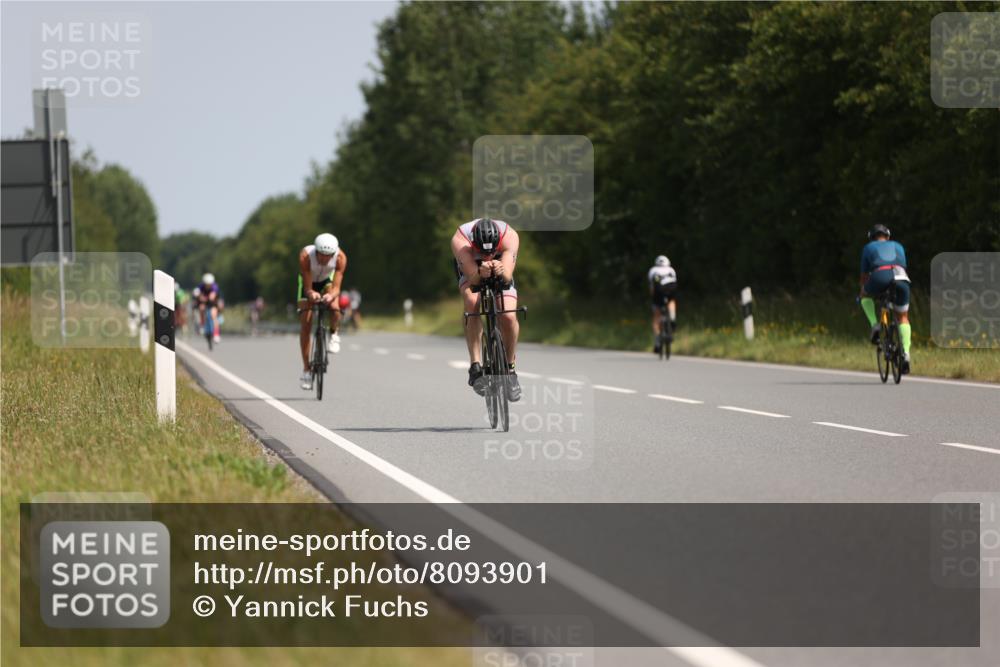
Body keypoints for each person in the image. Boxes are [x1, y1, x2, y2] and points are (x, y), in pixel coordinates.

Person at [451, 217, 521, 401]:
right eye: (483, 252)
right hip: (472, 268)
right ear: (474, 243)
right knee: (472, 301)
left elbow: (507, 277)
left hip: (501, 267)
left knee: (508, 316)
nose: (488, 256)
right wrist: (479, 272)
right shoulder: (461, 241)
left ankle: (510, 370)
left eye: (491, 253)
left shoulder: (510, 236)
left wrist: (500, 269)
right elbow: (473, 280)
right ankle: (475, 365)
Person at [859, 224, 912, 374]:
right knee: (903, 317)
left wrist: (863, 289)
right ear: (888, 236)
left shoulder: (868, 248)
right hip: (901, 277)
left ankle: (875, 325)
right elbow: (903, 266)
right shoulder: (898, 245)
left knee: (864, 295)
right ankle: (906, 353)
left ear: (871, 238)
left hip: (880, 276)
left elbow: (863, 276)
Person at [297, 233, 347, 390]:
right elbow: (307, 287)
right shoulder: (305, 256)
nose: (325, 259)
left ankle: (334, 335)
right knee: (306, 323)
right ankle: (306, 370)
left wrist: (330, 295)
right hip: (309, 282)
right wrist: (311, 294)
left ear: (334, 254)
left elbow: (337, 288)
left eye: (328, 256)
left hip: (327, 282)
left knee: (335, 308)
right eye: (321, 255)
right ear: (316, 251)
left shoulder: (340, 258)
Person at [648, 255, 678, 355]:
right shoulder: (671, 270)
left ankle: (657, 342)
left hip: (658, 293)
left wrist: (653, 299)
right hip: (670, 291)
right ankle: (673, 319)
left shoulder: (653, 270)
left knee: (656, 318)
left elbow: (652, 288)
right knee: (671, 301)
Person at [195, 273, 221, 344]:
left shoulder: (215, 287)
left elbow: (212, 297)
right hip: (203, 302)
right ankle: (202, 325)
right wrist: (199, 297)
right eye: (206, 284)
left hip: (213, 303)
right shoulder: (201, 286)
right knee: (201, 308)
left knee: (213, 315)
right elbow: (197, 294)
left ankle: (216, 334)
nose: (208, 285)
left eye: (209, 284)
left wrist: (204, 298)